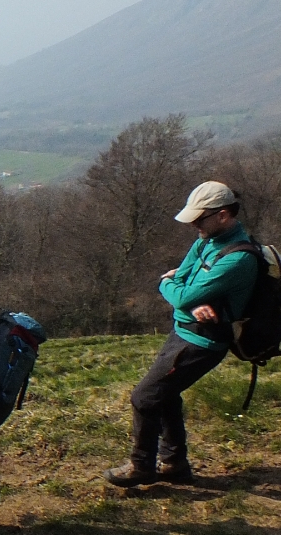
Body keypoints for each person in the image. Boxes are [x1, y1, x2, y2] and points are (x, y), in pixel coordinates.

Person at [103, 182, 257, 487]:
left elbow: (180, 290)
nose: (195, 225)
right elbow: (183, 281)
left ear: (223, 215)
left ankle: (141, 466)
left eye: (200, 219)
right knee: (165, 395)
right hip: (183, 331)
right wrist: (182, 292)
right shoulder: (205, 240)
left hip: (202, 342)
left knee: (144, 398)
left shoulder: (238, 258)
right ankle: (174, 465)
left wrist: (169, 287)